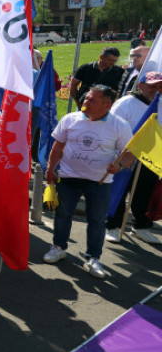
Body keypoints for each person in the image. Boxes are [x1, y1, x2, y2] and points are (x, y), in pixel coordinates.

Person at [43, 85, 132, 278]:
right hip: (68, 177)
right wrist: (50, 169)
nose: (85, 102)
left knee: (97, 220)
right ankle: (58, 247)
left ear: (107, 105)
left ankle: (93, 258)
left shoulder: (120, 125)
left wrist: (119, 166)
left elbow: (129, 154)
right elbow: (57, 147)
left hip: (100, 182)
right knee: (62, 214)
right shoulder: (70, 119)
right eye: (86, 98)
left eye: (92, 100)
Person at [106, 72, 162, 244]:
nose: (156, 89)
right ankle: (113, 226)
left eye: (159, 86)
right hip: (125, 155)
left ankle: (141, 227)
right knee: (120, 190)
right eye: (152, 85)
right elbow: (112, 128)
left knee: (144, 193)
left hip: (149, 156)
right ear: (140, 86)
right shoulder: (126, 103)